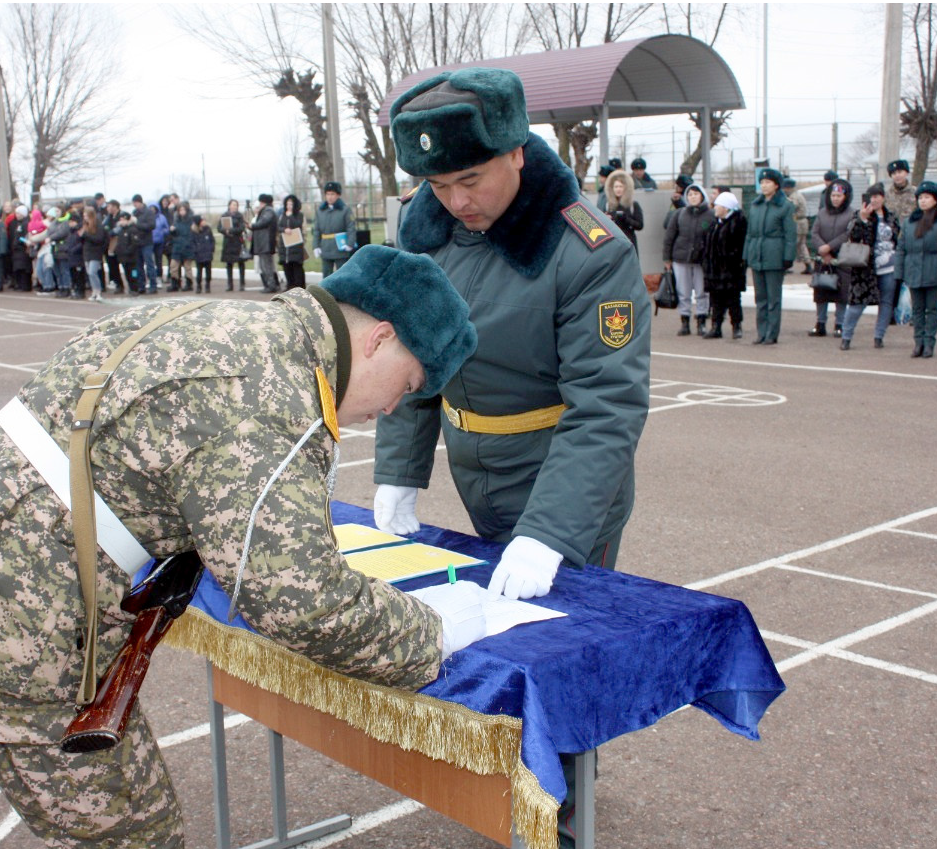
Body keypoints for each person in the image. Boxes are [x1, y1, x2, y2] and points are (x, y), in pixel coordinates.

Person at [0, 245, 481, 848]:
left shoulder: (233, 324)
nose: (397, 406)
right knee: (127, 834)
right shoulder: (272, 391)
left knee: (133, 821)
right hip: (6, 616)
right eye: (409, 382)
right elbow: (301, 601)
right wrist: (431, 634)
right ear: (379, 339)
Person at [376, 67, 650, 846]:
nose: (454, 201)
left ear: (517, 155)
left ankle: (559, 808)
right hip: (476, 465)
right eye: (435, 181)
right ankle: (524, 771)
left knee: (555, 644)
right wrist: (399, 472)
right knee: (495, 631)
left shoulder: (587, 248)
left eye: (469, 178)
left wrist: (551, 530)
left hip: (561, 472)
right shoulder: (423, 229)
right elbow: (413, 355)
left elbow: (606, 408)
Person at [840, 183, 903, 350]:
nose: (874, 200)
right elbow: (853, 237)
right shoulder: (859, 215)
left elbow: (897, 240)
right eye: (871, 197)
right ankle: (846, 336)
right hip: (865, 268)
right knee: (857, 304)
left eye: (877, 196)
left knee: (887, 302)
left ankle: (879, 336)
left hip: (889, 267)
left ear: (883, 197)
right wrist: (862, 218)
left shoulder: (891, 217)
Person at [742, 167, 797, 345]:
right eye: (762, 182)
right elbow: (750, 234)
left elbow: (790, 235)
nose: (764, 186)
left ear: (776, 185)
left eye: (768, 182)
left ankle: (772, 333)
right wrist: (746, 255)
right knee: (761, 298)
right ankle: (761, 332)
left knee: (773, 298)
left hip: (774, 256)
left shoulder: (785, 206)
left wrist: (788, 257)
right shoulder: (756, 205)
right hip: (757, 255)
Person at [896, 181, 937, 358]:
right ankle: (918, 342)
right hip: (913, 271)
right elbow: (901, 248)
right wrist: (900, 272)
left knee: (931, 309)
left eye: (927, 197)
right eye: (921, 198)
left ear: (936, 200)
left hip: (934, 272)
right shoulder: (910, 222)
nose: (923, 201)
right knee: (917, 309)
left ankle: (929, 343)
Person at [662, 182, 713, 336]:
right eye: (690, 194)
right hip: (680, 258)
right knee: (683, 292)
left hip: (701, 260)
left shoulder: (710, 215)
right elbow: (669, 237)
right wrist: (667, 258)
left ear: (702, 196)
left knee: (702, 291)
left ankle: (701, 321)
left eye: (696, 194)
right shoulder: (679, 214)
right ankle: (685, 321)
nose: (693, 197)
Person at [809, 177, 855, 338]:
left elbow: (847, 234)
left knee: (841, 293)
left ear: (846, 197)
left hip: (841, 259)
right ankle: (820, 323)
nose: (835, 198)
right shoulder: (822, 212)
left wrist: (830, 247)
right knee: (821, 290)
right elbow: (814, 233)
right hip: (822, 258)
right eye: (833, 195)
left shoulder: (851, 214)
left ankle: (840, 324)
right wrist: (822, 248)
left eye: (839, 196)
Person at [701, 191, 747, 340]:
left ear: (726, 208)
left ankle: (736, 326)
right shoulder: (715, 223)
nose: (714, 208)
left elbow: (739, 247)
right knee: (716, 299)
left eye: (718, 205)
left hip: (731, 269)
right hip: (714, 269)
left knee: (733, 298)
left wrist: (733, 260)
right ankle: (716, 327)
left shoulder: (738, 222)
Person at [313, 181, 356, 277]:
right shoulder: (320, 211)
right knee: (326, 275)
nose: (330, 197)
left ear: (338, 195)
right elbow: (316, 230)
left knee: (341, 275)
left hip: (340, 248)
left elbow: (351, 228)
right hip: (325, 248)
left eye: (332, 194)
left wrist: (350, 244)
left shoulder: (345, 210)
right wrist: (316, 246)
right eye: (327, 194)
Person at [601, 168, 644, 249]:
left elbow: (640, 225)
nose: (618, 189)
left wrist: (626, 219)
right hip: (614, 243)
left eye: (621, 186)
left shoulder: (633, 205)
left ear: (625, 188)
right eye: (616, 187)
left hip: (629, 242)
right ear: (612, 188)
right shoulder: (608, 205)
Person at [250, 194, 281, 293]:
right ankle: (271, 285)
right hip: (264, 244)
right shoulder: (267, 211)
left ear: (263, 202)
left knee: (266, 265)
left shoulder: (268, 211)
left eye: (261, 202)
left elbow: (263, 222)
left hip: (265, 244)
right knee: (266, 265)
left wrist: (252, 225)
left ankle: (271, 286)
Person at [130, 195, 159, 293]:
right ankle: (141, 286)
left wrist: (137, 223)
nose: (134, 205)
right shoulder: (134, 213)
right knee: (138, 265)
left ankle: (153, 285)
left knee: (149, 263)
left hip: (147, 242)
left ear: (140, 202)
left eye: (135, 203)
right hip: (137, 242)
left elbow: (152, 225)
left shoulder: (148, 212)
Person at [784, 177, 813, 274]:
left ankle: (788, 265)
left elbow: (791, 207)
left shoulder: (794, 196)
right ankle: (807, 265)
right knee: (801, 245)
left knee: (796, 245)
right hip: (801, 222)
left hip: (799, 223)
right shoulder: (796, 194)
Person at [278, 194, 307, 290]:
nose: (289, 206)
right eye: (287, 204)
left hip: (295, 245)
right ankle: (290, 285)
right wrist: (284, 229)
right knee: (287, 267)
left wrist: (290, 216)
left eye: (291, 204)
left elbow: (298, 225)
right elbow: (278, 227)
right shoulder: (282, 215)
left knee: (297, 267)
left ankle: (299, 287)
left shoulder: (299, 215)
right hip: (284, 246)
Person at [219, 199, 249, 291]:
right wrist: (225, 231)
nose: (234, 206)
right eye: (233, 204)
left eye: (236, 205)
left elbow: (241, 228)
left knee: (241, 263)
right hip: (228, 242)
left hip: (238, 242)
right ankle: (230, 284)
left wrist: (231, 230)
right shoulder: (224, 216)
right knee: (229, 264)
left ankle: (242, 284)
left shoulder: (240, 216)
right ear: (229, 206)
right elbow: (219, 228)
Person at [112, 211, 144, 296]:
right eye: (121, 220)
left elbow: (135, 243)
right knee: (127, 274)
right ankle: (130, 288)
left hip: (132, 258)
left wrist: (127, 251)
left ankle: (135, 288)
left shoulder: (133, 229)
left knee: (133, 273)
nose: (121, 221)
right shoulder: (121, 231)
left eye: (123, 219)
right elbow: (119, 243)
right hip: (123, 258)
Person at [167, 201, 197, 291]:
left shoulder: (191, 221)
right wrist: (172, 231)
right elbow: (174, 234)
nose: (182, 212)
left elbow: (192, 234)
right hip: (177, 246)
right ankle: (175, 283)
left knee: (187, 267)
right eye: (180, 210)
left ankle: (189, 284)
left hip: (187, 246)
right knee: (173, 266)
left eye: (183, 210)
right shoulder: (176, 221)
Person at [191, 215, 215, 293]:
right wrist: (196, 251)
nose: (204, 221)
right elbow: (192, 243)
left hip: (208, 254)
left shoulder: (208, 229)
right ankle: (199, 286)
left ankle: (207, 285)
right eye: (202, 220)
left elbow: (212, 240)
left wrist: (211, 249)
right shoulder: (194, 232)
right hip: (199, 255)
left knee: (208, 272)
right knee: (199, 272)